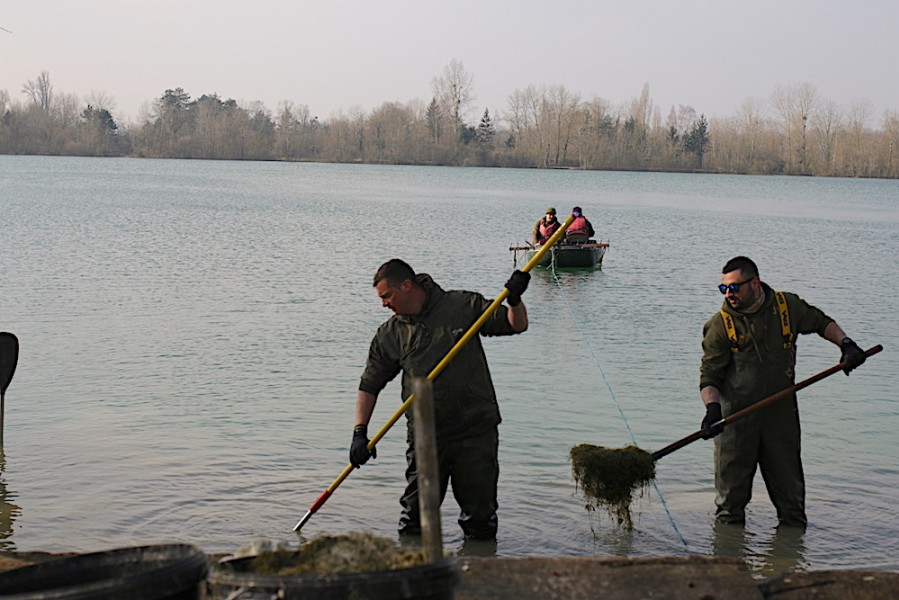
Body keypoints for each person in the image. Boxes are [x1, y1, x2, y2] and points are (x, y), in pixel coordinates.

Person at [349, 258, 530, 540]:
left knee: (480, 520)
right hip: (426, 436)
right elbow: (369, 384)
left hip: (475, 431)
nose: (383, 303)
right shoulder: (390, 334)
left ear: (406, 286)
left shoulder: (461, 306)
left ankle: (479, 571)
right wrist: (360, 432)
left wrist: (516, 299)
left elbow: (515, 325)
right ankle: (413, 577)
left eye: (387, 296)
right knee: (414, 522)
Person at [699, 256, 867, 528]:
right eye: (724, 289)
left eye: (735, 287)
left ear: (756, 283)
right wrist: (712, 409)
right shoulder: (719, 326)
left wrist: (847, 345)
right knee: (730, 509)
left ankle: (791, 563)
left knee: (792, 507)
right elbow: (709, 377)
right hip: (736, 422)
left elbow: (822, 322)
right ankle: (728, 562)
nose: (728, 294)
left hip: (781, 419)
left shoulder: (786, 306)